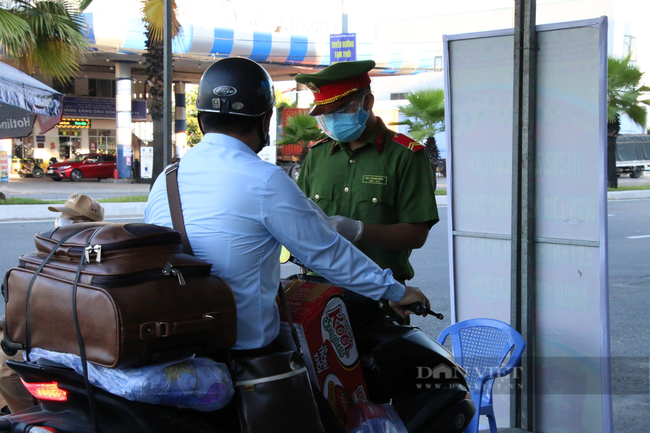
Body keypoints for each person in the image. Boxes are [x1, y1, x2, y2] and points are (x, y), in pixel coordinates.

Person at [294, 60, 439, 324]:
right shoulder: (317, 156)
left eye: (340, 110)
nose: (332, 119)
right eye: (325, 113)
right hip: (318, 291)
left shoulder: (405, 156)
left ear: (367, 102)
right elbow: (297, 217)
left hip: (382, 295)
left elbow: (417, 234)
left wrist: (359, 229)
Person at [0, 193, 104, 413]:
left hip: (65, 335)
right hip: (47, 327)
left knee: (4, 367)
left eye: (67, 220)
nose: (59, 224)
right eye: (61, 219)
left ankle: (26, 417)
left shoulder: (94, 259)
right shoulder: (54, 255)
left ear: (85, 225)